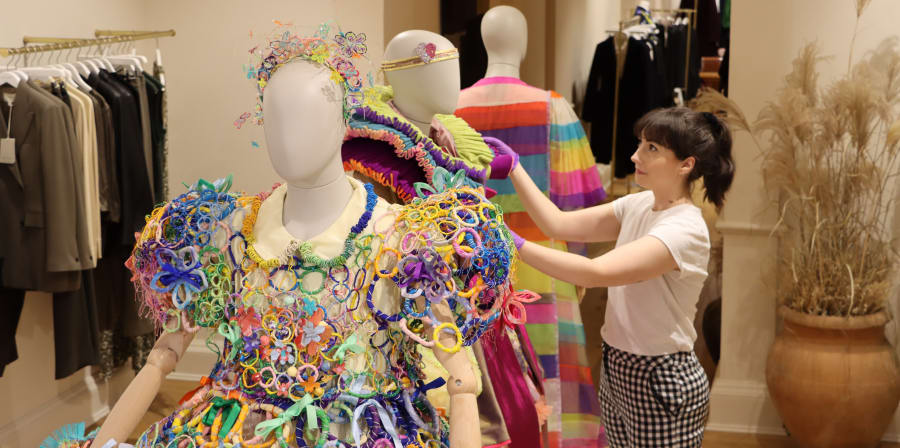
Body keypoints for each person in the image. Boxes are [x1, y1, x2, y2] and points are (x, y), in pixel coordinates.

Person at [500, 107, 735, 447]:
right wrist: (514, 167)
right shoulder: (639, 204)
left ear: (687, 164)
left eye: (652, 148)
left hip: (661, 376)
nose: (635, 155)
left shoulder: (685, 229)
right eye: (641, 143)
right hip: (617, 366)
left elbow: (596, 273)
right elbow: (557, 224)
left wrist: (511, 243)